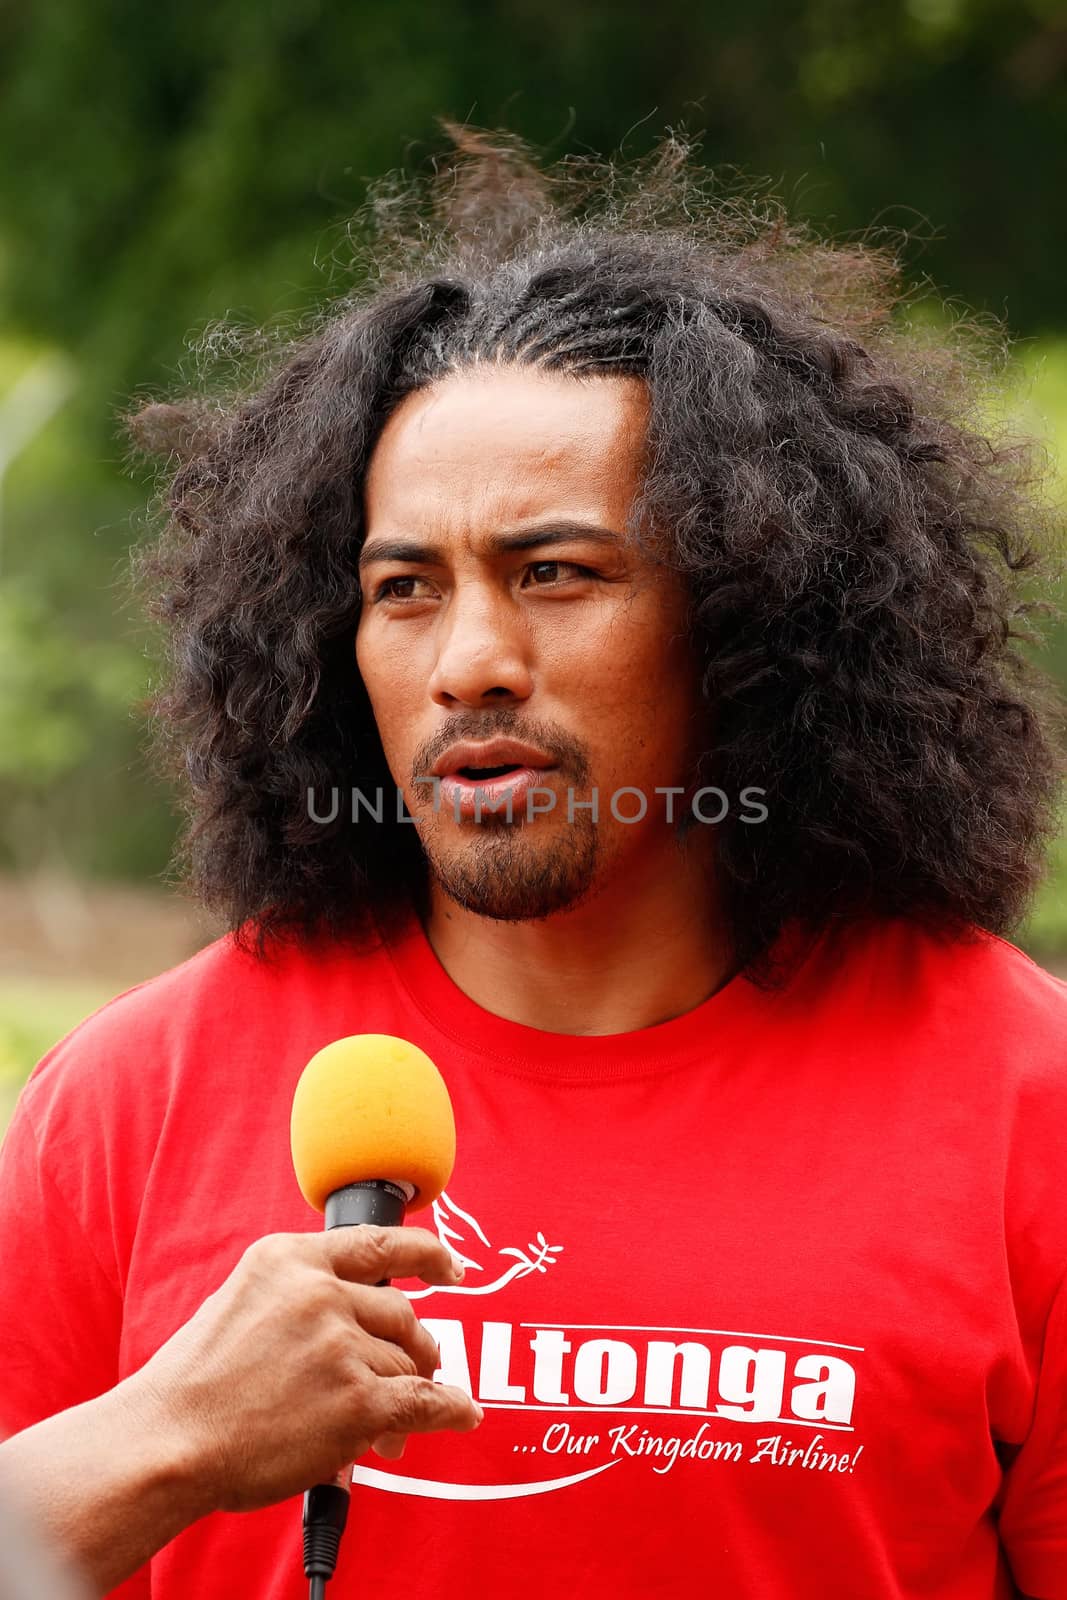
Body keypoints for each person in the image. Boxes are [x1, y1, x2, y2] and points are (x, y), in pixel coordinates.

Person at [0, 129, 1064, 1600]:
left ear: (749, 615)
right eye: (403, 590)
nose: (470, 664)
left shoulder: (1024, 1105)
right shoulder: (129, 1101)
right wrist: (168, 1437)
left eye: (557, 574)